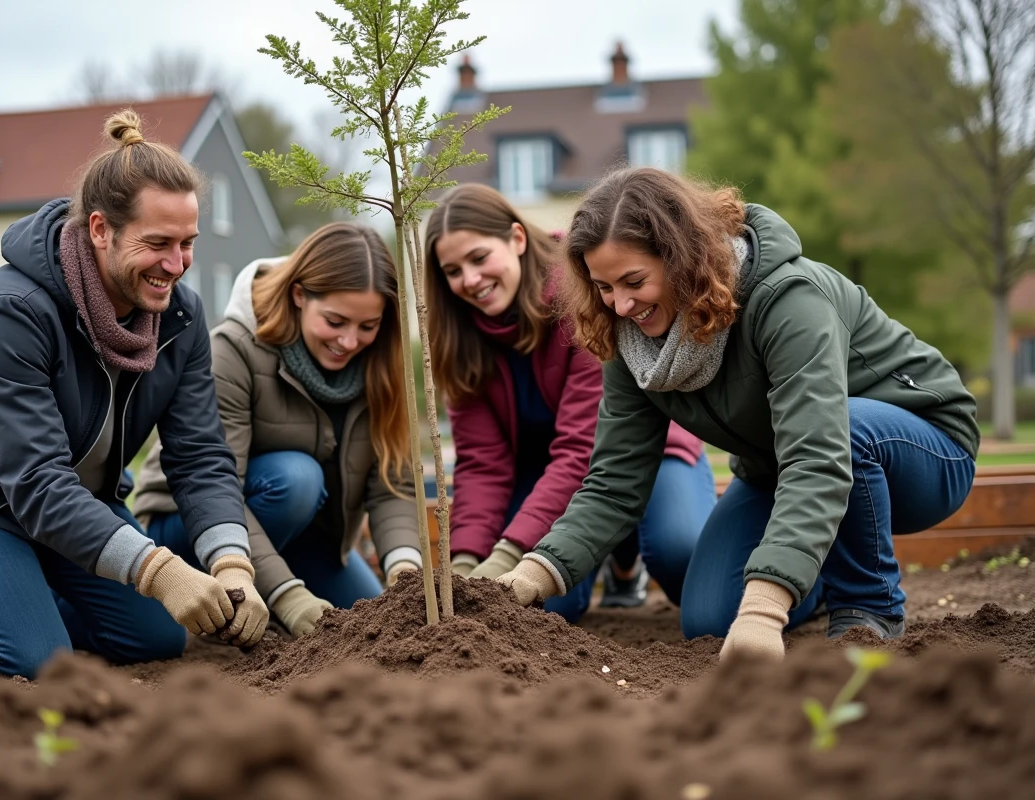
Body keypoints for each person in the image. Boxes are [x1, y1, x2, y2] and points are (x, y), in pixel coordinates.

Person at [494, 167, 979, 659]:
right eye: (602, 287)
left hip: (922, 450)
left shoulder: (788, 300)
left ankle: (867, 608)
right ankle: (812, 578)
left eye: (633, 281)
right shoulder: (632, 342)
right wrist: (529, 576)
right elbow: (615, 482)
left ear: (681, 257)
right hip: (777, 468)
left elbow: (818, 457)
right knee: (710, 619)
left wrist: (764, 612)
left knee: (848, 429)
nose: (619, 305)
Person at [0, 110, 269, 679]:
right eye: (158, 243)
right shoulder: (13, 312)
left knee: (157, 638)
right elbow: (36, 480)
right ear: (99, 230)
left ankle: (19, 596)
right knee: (34, 666)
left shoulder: (180, 318)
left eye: (187, 243)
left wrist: (232, 562)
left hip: (71, 499)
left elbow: (200, 456)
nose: (176, 264)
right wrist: (161, 571)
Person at [423, 184, 714, 623]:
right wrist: (466, 565)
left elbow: (582, 449)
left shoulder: (581, 300)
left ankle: (624, 560)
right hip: (542, 474)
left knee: (679, 555)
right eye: (453, 270)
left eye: (479, 258)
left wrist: (505, 560)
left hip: (642, 452)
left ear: (517, 239)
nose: (470, 279)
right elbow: (483, 462)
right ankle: (612, 558)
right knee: (546, 604)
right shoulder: (457, 336)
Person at [133, 222, 423, 639]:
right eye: (336, 320)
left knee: (372, 615)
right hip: (190, 529)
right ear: (300, 295)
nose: (349, 340)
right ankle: (242, 597)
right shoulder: (233, 352)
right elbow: (218, 488)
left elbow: (391, 483)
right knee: (297, 479)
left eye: (367, 326)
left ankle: (273, 589)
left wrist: (404, 568)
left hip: (303, 538)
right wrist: (289, 596)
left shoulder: (378, 366)